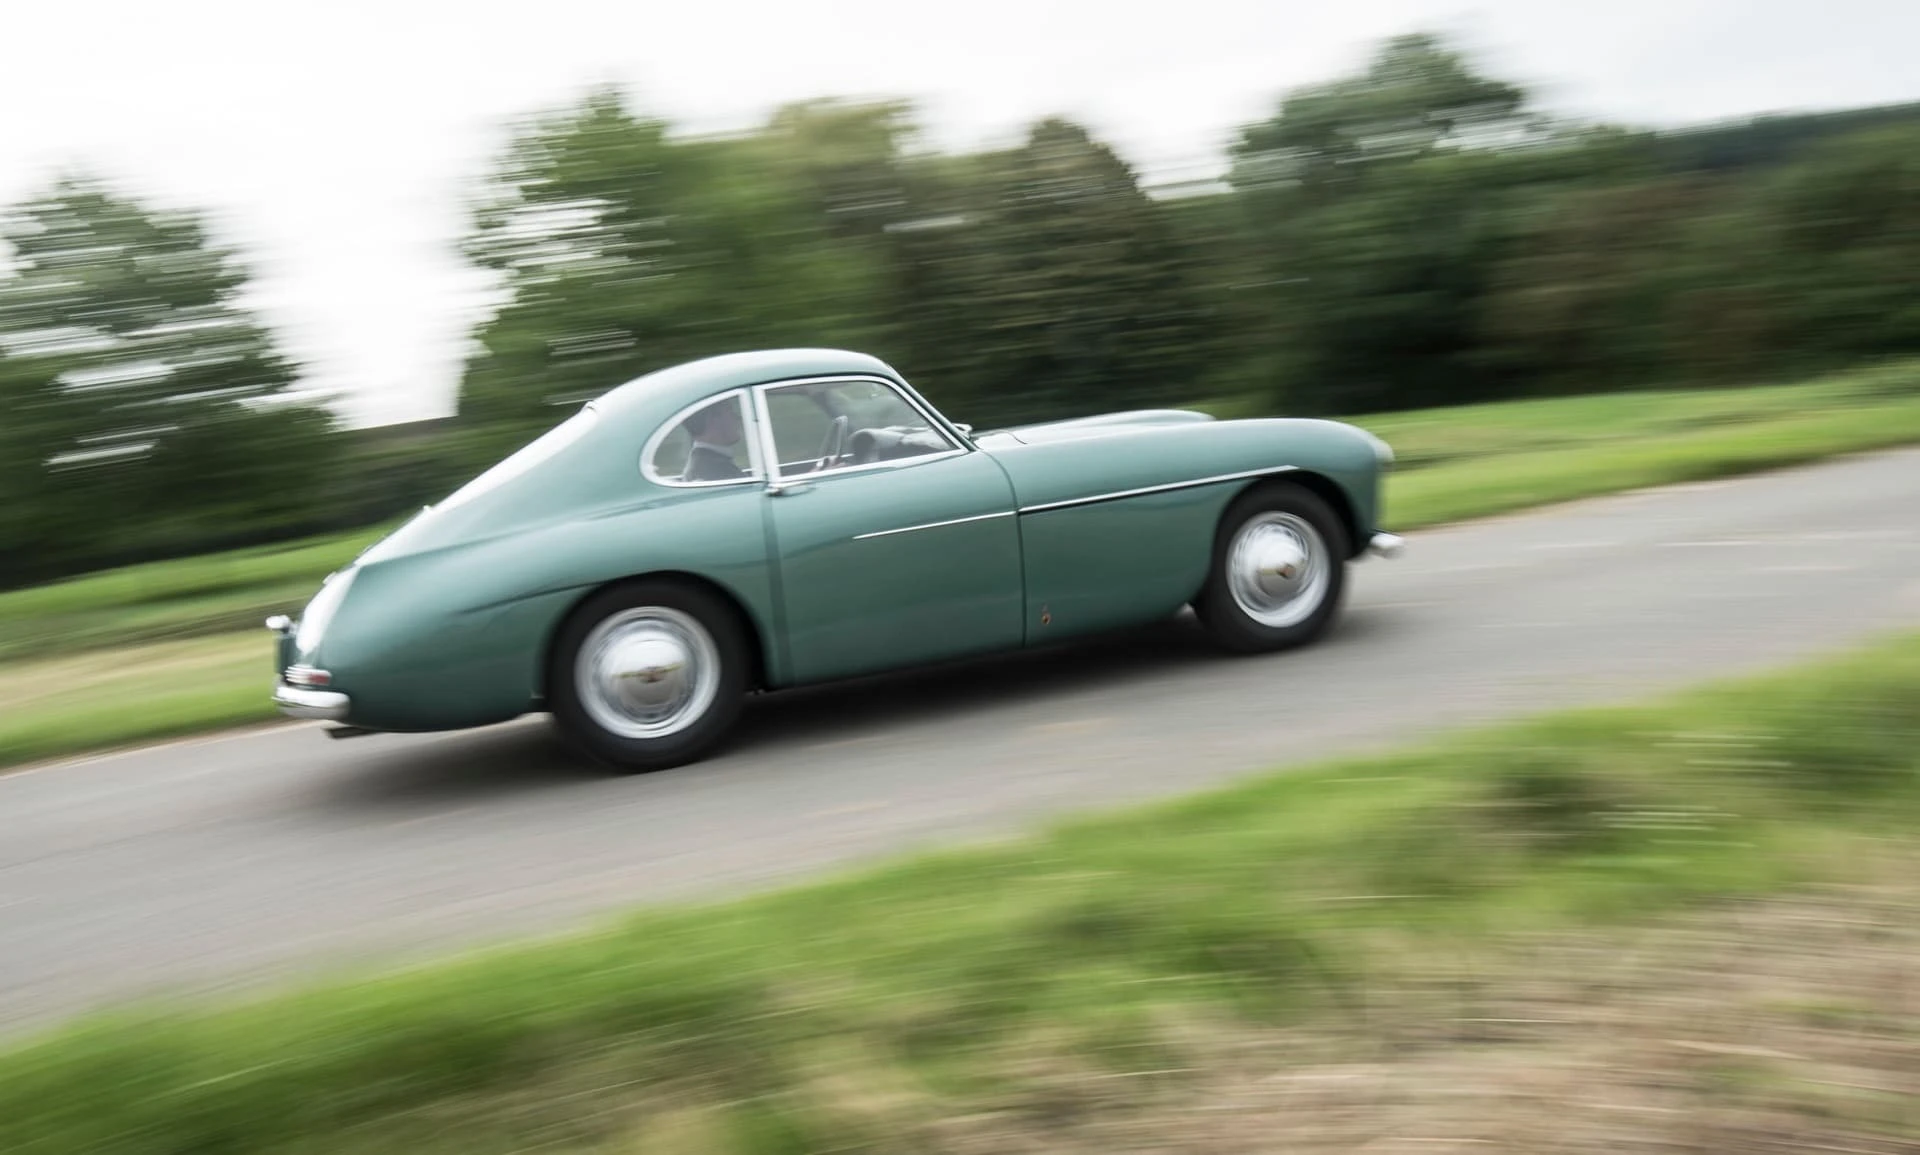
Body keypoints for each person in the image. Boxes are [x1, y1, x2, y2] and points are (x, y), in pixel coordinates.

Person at [682, 400, 747, 481]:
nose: (738, 418)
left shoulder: (702, 464)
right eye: (730, 412)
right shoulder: (720, 472)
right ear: (713, 420)